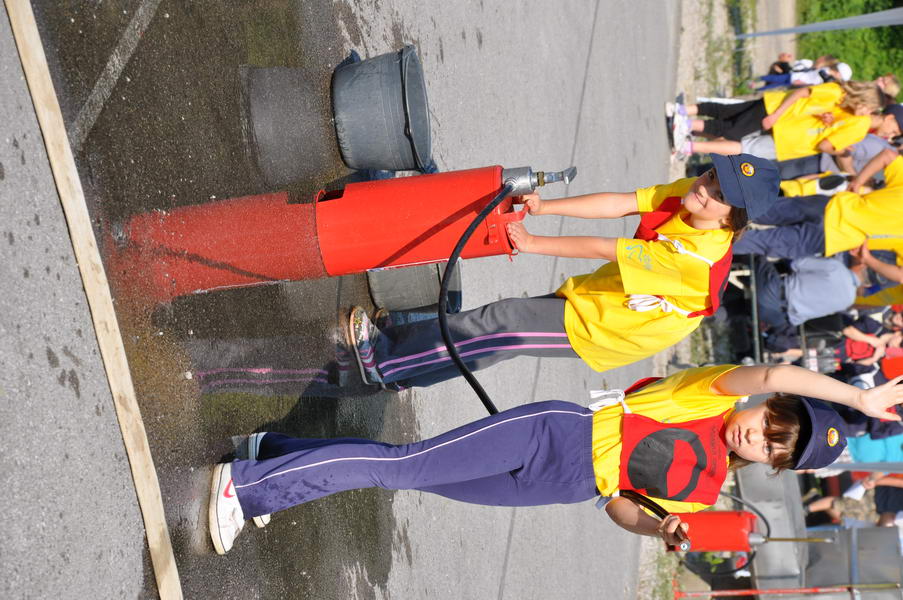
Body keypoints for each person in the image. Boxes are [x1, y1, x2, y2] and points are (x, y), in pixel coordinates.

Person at [207, 364, 903, 554]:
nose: (760, 438)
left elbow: (620, 506)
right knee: (405, 467)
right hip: (552, 435)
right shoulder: (710, 395)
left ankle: (275, 455)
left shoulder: (707, 490)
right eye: (772, 423)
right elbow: (776, 370)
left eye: (776, 448)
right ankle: (247, 486)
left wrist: (657, 529)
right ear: (766, 404)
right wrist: (857, 397)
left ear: (774, 466)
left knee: (404, 473)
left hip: (562, 485)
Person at [346, 154, 778, 390]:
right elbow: (622, 203)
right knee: (496, 334)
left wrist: (533, 242)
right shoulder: (690, 195)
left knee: (502, 325)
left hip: (611, 327)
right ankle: (404, 369)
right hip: (609, 294)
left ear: (731, 220)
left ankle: (385, 361)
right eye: (711, 175)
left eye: (719, 195)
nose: (704, 188)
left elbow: (603, 248)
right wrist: (546, 206)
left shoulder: (694, 262)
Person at [670, 78, 896, 167]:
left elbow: (826, 115)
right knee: (730, 130)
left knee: (728, 115)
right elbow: (802, 93)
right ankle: (686, 130)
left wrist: (829, 117)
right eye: (869, 107)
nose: (867, 113)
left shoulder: (845, 106)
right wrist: (777, 115)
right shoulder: (837, 94)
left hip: (781, 116)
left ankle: (683, 115)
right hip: (781, 117)